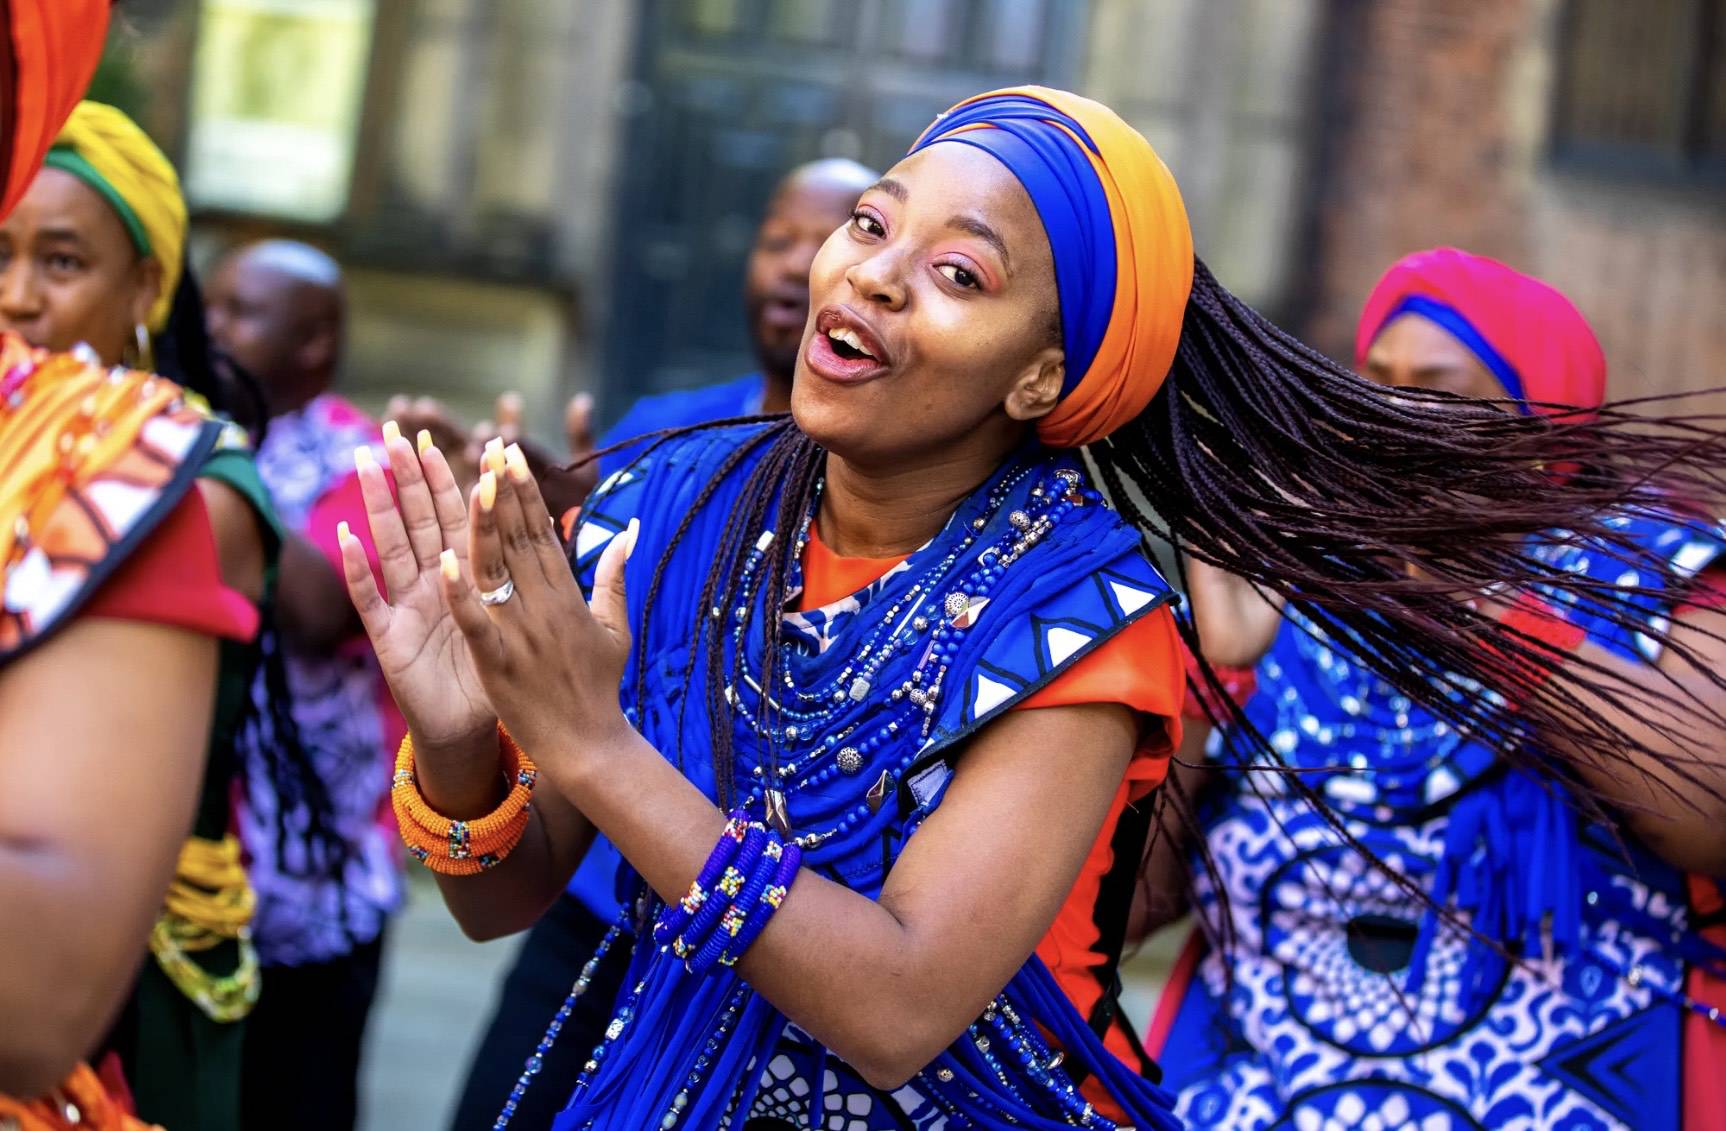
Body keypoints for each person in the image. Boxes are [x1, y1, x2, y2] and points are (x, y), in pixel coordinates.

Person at [345, 88, 1726, 1130]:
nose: (874, 271)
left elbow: (895, 1004)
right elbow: (502, 897)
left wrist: (594, 746)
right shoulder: (689, 507)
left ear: (1038, 375)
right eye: (872, 223)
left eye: (959, 275)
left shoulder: (1083, 610)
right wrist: (463, 739)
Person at [1142, 248, 1726, 1130]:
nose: (1397, 413)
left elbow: (1705, 806)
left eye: (1442, 388)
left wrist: (1460, 583)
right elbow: (1139, 900)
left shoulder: (1658, 570)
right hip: (1251, 1097)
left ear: (1540, 418)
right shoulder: (1298, 579)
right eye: (1378, 381)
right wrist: (1210, 670)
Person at [447, 155, 875, 1131]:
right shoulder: (663, 439)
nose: (793, 264)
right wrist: (552, 522)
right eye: (776, 238)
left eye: (830, 236)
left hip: (760, 952)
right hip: (594, 903)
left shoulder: (917, 519)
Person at [0, 12, 279, 1126]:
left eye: (60, 262)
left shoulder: (181, 484)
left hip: (136, 963)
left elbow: (33, 1001)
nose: (19, 295)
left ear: (145, 289)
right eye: (1, 254)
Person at [205, 239, 404, 1131]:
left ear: (314, 344)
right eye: (208, 306)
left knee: (296, 1099)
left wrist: (205, 467)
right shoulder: (187, 426)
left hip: (315, 874)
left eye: (239, 312)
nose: (210, 329)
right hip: (194, 861)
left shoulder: (360, 458)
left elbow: (318, 605)